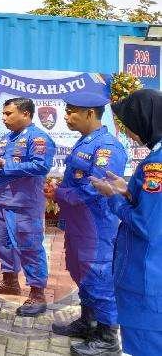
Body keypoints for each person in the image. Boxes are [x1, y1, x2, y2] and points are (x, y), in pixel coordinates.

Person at [44, 91, 126, 355]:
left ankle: (108, 337)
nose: (66, 117)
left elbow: (94, 189)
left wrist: (59, 194)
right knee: (80, 272)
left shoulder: (107, 148)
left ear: (90, 113)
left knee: (98, 276)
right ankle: (88, 322)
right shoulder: (86, 142)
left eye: (71, 112)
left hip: (96, 226)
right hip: (79, 224)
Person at [90, 89, 162, 356]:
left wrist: (114, 198)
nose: (129, 134)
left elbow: (147, 226)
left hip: (146, 276)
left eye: (129, 126)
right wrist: (129, 190)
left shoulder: (156, 165)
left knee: (145, 345)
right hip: (152, 270)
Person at [0, 98, 56, 317]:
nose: (3, 118)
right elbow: (0, 164)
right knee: (4, 244)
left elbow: (40, 166)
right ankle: (10, 282)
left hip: (25, 203)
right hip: (3, 200)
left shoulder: (39, 138)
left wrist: (4, 164)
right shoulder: (7, 138)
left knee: (29, 247)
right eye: (3, 114)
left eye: (8, 113)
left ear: (25, 114)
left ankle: (37, 294)